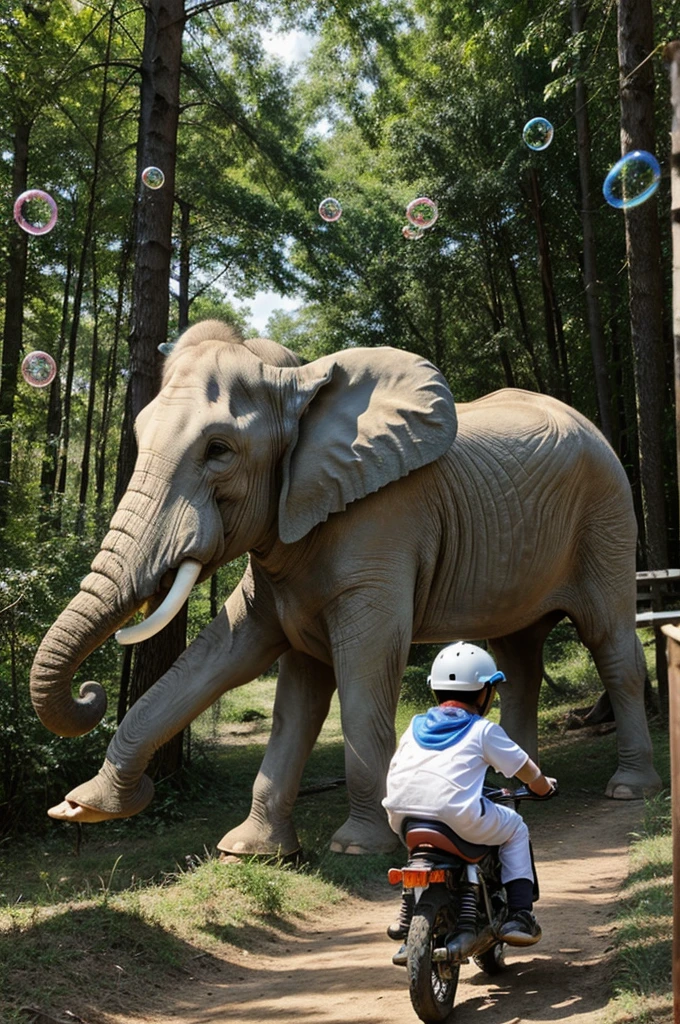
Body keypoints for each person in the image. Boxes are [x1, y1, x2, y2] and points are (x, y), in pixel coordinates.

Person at [383, 642, 556, 964]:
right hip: (457, 817)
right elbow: (525, 769)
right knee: (515, 827)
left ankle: (407, 913)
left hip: (403, 817)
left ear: (435, 689)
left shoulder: (414, 725)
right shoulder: (482, 730)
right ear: (484, 693)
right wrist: (543, 788)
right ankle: (520, 913)